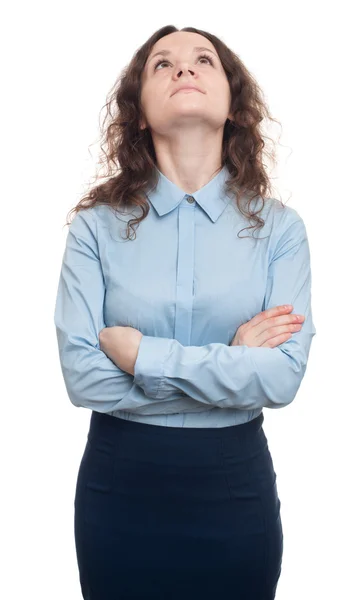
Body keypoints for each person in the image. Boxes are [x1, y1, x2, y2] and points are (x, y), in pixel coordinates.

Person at [53, 24, 316, 600]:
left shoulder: (280, 231)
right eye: (162, 64)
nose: (184, 70)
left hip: (234, 489)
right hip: (120, 488)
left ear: (233, 105)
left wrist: (142, 356)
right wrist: (231, 364)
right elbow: (82, 375)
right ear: (140, 114)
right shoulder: (94, 228)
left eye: (204, 60)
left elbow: (282, 376)